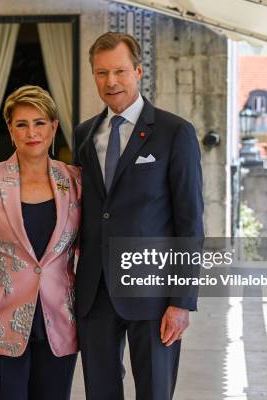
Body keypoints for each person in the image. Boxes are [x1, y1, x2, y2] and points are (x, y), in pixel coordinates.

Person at [72, 32, 204, 400]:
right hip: (94, 292)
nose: (110, 82)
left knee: (154, 392)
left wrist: (182, 299)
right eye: (101, 73)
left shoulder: (175, 132)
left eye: (119, 71)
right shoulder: (85, 135)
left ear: (138, 71)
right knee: (100, 391)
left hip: (155, 292)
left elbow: (190, 222)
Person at [0, 85, 81, 400]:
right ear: (10, 130)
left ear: (54, 127)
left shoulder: (76, 180)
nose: (31, 132)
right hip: (0, 320)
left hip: (60, 320)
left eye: (39, 123)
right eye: (22, 124)